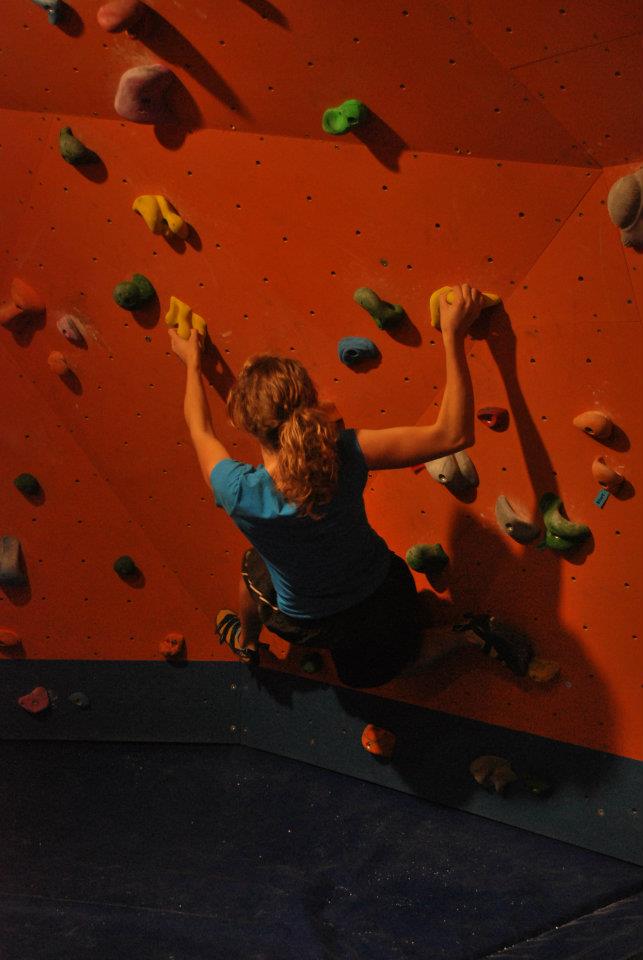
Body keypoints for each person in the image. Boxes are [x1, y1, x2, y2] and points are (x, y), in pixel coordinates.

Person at [169, 283, 557, 688]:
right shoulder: (346, 452)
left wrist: (192, 363)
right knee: (396, 650)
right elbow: (453, 435)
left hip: (314, 620)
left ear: (246, 426)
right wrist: (453, 334)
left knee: (254, 570)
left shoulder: (237, 491)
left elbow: (200, 429)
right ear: (311, 405)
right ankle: (461, 636)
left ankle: (247, 642)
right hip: (383, 588)